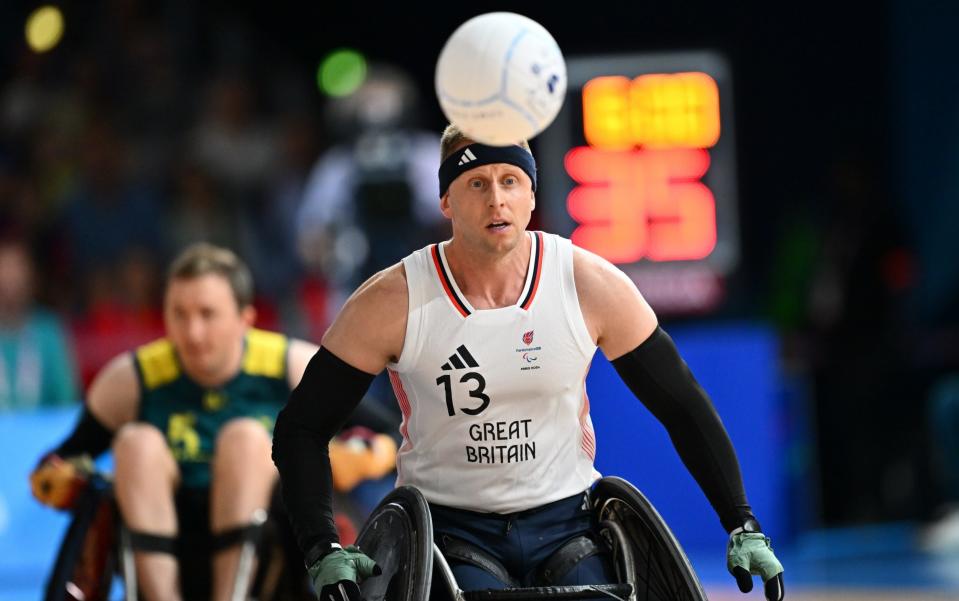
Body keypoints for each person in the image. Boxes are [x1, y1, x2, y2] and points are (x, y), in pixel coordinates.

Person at [272, 124, 786, 600]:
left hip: (570, 523)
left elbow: (683, 405)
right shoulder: (393, 300)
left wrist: (742, 522)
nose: (497, 199)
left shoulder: (588, 284)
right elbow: (301, 428)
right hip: (447, 529)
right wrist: (321, 547)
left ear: (531, 195)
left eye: (511, 181)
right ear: (446, 200)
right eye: (476, 183)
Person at [30, 243, 319, 601]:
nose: (193, 332)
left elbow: (377, 436)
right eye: (178, 314)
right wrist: (59, 478)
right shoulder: (133, 378)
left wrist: (350, 453)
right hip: (164, 553)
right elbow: (61, 459)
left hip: (268, 565)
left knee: (246, 439)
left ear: (245, 318)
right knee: (135, 442)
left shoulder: (292, 367)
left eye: (207, 314)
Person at [0, 236, 78, 411]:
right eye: (3, 269)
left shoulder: (49, 331)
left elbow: (66, 401)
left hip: (44, 435)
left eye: (17, 268)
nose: (10, 278)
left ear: (31, 277)